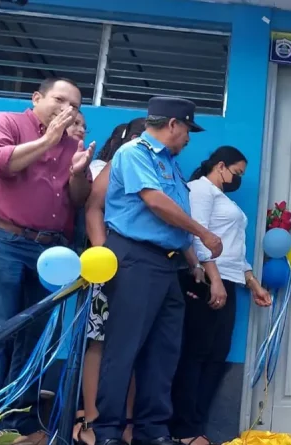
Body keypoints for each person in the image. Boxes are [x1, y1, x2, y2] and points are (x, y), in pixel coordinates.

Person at [0, 77, 94, 444]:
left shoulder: (74, 145)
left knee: (37, 336)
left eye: (75, 106)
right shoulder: (5, 122)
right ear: (37, 98)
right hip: (1, 239)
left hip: (50, 251)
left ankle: (17, 422)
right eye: (59, 100)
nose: (67, 110)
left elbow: (77, 198)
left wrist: (77, 172)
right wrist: (47, 141)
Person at [93, 97, 222, 445]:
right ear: (173, 125)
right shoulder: (136, 153)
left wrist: (193, 261)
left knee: (163, 351)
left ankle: (152, 431)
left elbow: (172, 221)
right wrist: (204, 233)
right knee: (125, 347)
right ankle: (107, 431)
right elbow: (155, 202)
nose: (188, 139)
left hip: (167, 264)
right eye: (187, 131)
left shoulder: (172, 165)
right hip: (135, 257)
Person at [169, 146, 273, 445]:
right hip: (204, 280)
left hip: (228, 280)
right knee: (195, 353)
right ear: (221, 166)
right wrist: (212, 279)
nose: (238, 178)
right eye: (237, 172)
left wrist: (253, 283)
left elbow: (235, 248)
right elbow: (198, 235)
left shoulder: (223, 198)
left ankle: (196, 423)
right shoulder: (200, 190)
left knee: (216, 355)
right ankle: (183, 428)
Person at [75, 116, 146, 445]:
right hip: (106, 267)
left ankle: (127, 423)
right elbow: (92, 208)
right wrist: (105, 256)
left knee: (132, 346)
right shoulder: (105, 166)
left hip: (140, 268)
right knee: (99, 342)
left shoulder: (154, 171)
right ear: (127, 138)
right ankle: (91, 418)